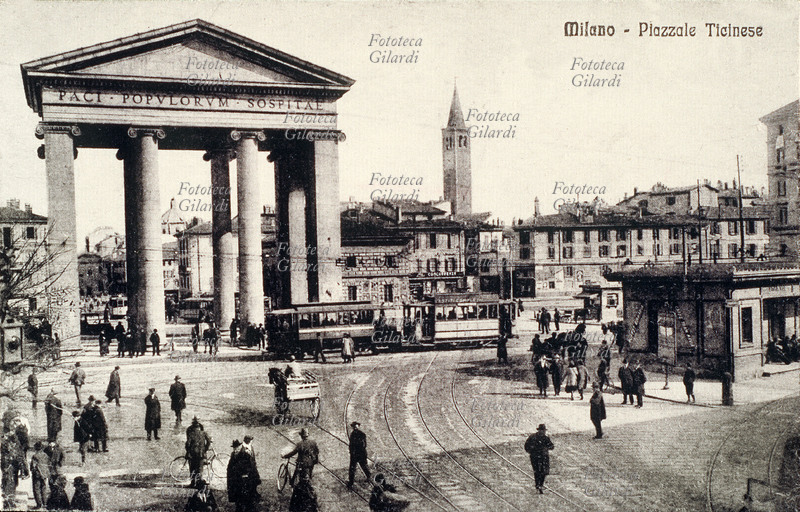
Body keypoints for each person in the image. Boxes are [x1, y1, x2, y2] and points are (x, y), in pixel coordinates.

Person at [226, 439, 260, 512]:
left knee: (247, 500)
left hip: (246, 481)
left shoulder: (246, 455)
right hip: (236, 480)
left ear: (240, 447)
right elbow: (230, 467)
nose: (235, 450)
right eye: (234, 448)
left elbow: (251, 467)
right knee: (238, 499)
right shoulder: (233, 455)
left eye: (237, 448)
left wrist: (246, 475)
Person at [1, 430, 29, 509]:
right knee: (10, 484)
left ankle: (9, 501)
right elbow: (20, 457)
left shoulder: (6, 444)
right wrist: (24, 469)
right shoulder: (12, 445)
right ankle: (9, 502)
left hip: (9, 468)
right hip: (10, 467)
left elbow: (19, 456)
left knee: (9, 484)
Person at [524, 424, 554, 494]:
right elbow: (526, 446)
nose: (543, 432)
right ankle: (538, 484)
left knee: (543, 471)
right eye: (542, 430)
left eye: (543, 431)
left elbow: (552, 446)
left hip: (543, 457)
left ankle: (540, 485)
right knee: (537, 471)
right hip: (535, 456)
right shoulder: (533, 437)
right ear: (539, 430)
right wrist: (531, 451)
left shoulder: (546, 438)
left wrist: (548, 447)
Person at [186, 417, 212, 486]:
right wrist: (205, 449)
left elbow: (188, 443)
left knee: (192, 468)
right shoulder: (203, 433)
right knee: (200, 468)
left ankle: (193, 483)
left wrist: (188, 451)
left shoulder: (190, 432)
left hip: (192, 453)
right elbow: (209, 441)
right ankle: (199, 482)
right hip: (201, 453)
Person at [347, 421, 370, 488]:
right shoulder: (352, 435)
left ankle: (369, 476)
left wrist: (355, 449)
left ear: (358, 426)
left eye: (356, 426)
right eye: (354, 426)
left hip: (360, 453)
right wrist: (351, 451)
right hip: (355, 454)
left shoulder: (362, 434)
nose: (355, 428)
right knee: (352, 468)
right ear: (353, 427)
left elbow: (364, 445)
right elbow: (351, 445)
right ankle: (351, 482)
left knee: (363, 466)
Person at [30, 441, 51, 509]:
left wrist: (32, 470)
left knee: (36, 489)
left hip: (37, 474)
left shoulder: (35, 456)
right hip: (44, 474)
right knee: (43, 488)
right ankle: (45, 503)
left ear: (36, 448)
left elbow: (33, 466)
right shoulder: (46, 455)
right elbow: (49, 464)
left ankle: (39, 504)